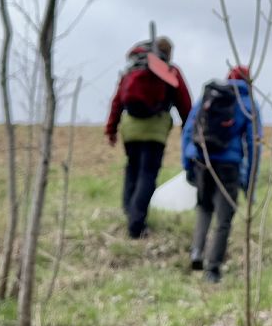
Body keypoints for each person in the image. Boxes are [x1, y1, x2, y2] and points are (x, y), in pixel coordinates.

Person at [181, 64, 262, 283]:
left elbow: (188, 130)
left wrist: (187, 163)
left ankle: (197, 252)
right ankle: (212, 268)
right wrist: (250, 183)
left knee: (204, 206)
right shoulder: (248, 103)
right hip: (229, 165)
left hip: (202, 160)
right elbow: (254, 145)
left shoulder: (210, 95)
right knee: (224, 218)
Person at [105, 35, 191, 239]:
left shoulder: (132, 69)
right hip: (155, 130)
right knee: (147, 174)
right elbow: (184, 102)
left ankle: (129, 213)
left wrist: (111, 129)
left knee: (132, 170)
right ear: (168, 52)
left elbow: (117, 101)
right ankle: (136, 225)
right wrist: (187, 128)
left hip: (130, 129)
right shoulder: (170, 71)